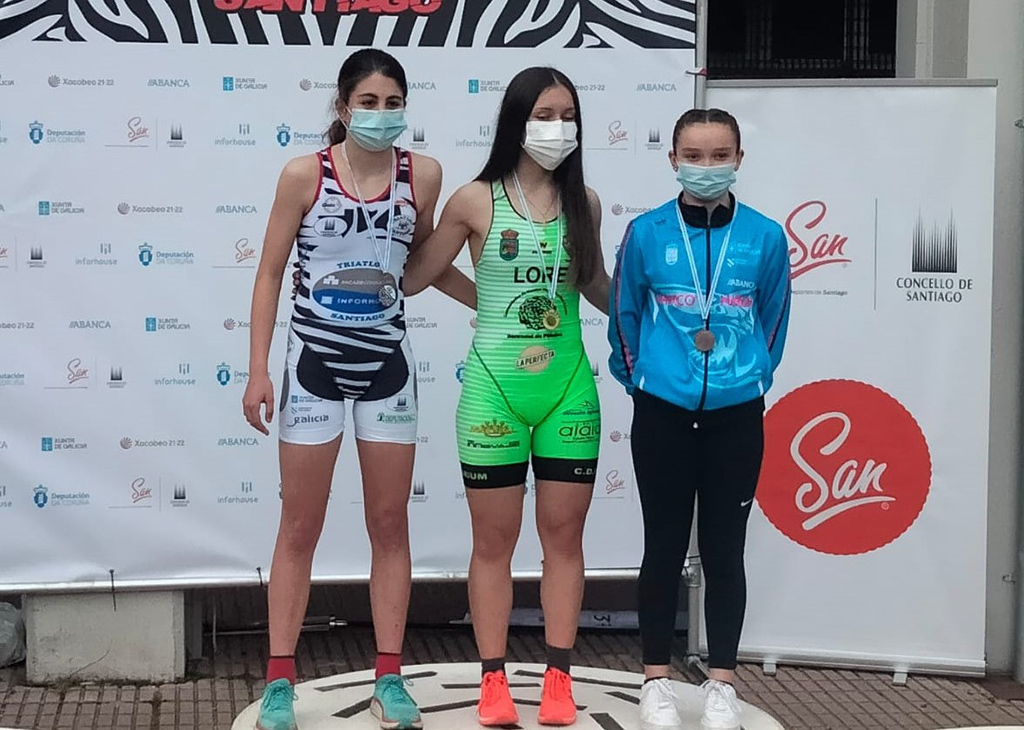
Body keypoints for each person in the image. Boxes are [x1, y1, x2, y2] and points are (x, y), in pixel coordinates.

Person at [242, 48, 470, 730]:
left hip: (387, 368)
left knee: (390, 523)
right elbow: (269, 274)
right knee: (300, 525)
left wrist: (492, 302)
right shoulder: (303, 174)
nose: (380, 113)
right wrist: (257, 369)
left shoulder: (422, 174)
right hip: (314, 363)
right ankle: (280, 682)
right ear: (343, 107)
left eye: (392, 103)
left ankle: (390, 678)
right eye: (367, 103)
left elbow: (423, 264)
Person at [402, 67, 609, 727]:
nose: (558, 128)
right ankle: (492, 681)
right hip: (494, 391)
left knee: (564, 538)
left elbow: (596, 286)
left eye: (568, 116)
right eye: (545, 115)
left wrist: (655, 303)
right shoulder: (474, 199)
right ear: (517, 121)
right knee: (493, 541)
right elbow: (416, 276)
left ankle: (558, 678)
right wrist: (483, 299)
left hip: (568, 390)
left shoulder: (585, 202)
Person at [608, 108, 791, 730]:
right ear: (673, 160)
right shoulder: (646, 232)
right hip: (662, 410)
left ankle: (722, 683)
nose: (705, 167)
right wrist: (645, 382)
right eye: (693, 155)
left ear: (738, 159)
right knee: (661, 545)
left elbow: (773, 322)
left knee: (724, 548)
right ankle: (655, 680)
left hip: (737, 414)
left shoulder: (765, 236)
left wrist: (750, 376)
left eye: (718, 156)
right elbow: (625, 315)